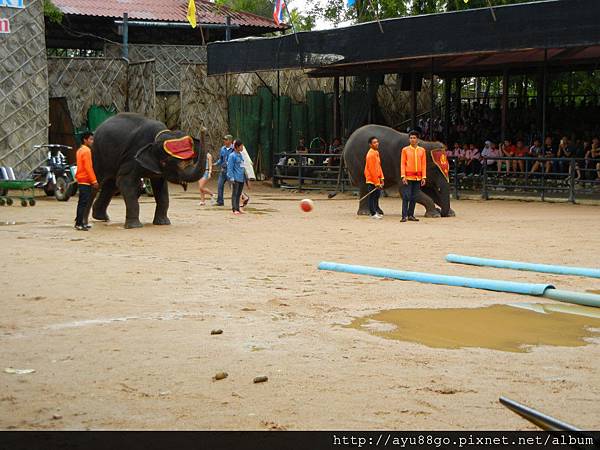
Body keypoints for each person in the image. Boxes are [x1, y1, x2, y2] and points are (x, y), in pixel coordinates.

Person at [74, 132, 98, 231]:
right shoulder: (87, 151)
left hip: (81, 179)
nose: (92, 141)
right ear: (85, 140)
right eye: (90, 139)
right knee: (84, 203)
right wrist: (94, 181)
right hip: (85, 180)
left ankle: (79, 222)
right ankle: (79, 224)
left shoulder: (79, 150)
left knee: (82, 202)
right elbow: (88, 167)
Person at [400, 131, 426, 223]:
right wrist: (403, 176)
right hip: (408, 177)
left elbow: (423, 164)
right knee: (406, 196)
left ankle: (411, 214)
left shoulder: (422, 150)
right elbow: (402, 163)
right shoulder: (405, 150)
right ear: (409, 139)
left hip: (418, 177)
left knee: (414, 197)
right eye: (411, 138)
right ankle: (404, 216)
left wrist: (424, 177)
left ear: (417, 139)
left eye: (414, 138)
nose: (412, 139)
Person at [363, 136, 384, 219]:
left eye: (377, 142)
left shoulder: (376, 153)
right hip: (372, 179)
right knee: (372, 196)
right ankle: (372, 213)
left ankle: (375, 211)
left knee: (376, 195)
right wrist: (377, 183)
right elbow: (372, 170)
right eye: (374, 142)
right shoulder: (371, 154)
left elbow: (378, 167)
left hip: (376, 179)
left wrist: (381, 178)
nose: (377, 144)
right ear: (370, 145)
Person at [214, 134, 234, 206]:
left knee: (233, 187)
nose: (224, 141)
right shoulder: (222, 148)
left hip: (230, 171)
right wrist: (216, 164)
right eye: (224, 139)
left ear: (230, 141)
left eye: (226, 140)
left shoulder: (234, 149)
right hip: (223, 170)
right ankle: (220, 201)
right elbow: (221, 159)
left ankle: (241, 199)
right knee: (220, 185)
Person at [227, 140, 245, 215]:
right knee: (235, 193)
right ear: (237, 147)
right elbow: (230, 168)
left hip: (241, 178)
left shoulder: (240, 155)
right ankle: (234, 209)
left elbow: (242, 166)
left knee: (239, 194)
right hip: (235, 178)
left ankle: (238, 208)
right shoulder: (232, 156)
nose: (242, 147)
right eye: (241, 146)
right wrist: (231, 178)